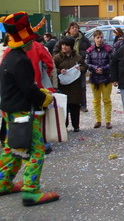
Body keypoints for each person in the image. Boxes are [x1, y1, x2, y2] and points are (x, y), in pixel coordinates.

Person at [0, 11, 59, 206]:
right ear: (25, 41)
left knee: (13, 148)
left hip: (9, 111)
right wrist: (45, 98)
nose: (33, 43)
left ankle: (3, 182)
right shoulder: (21, 60)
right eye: (31, 40)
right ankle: (31, 190)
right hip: (23, 112)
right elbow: (28, 89)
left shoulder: (8, 58)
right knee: (36, 150)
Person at [53, 22, 91, 112]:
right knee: (65, 88)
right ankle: (67, 105)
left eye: (76, 27)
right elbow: (55, 51)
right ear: (69, 29)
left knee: (81, 87)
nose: (75, 29)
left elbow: (89, 50)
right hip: (65, 65)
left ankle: (82, 105)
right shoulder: (63, 39)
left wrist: (84, 60)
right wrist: (60, 58)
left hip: (77, 63)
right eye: (73, 27)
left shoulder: (83, 39)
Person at [54, 37, 87, 132]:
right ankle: (64, 125)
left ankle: (76, 125)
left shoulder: (77, 57)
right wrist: (59, 71)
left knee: (75, 106)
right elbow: (52, 69)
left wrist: (81, 69)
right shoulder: (57, 58)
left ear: (71, 46)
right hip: (63, 86)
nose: (64, 47)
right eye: (63, 45)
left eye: (66, 45)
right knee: (64, 106)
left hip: (75, 86)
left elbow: (84, 66)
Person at [85, 30, 113, 129]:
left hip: (106, 78)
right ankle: (98, 120)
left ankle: (108, 121)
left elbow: (112, 62)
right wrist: (94, 68)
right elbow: (87, 63)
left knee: (107, 100)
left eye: (101, 37)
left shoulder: (109, 49)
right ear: (94, 38)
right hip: (94, 78)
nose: (99, 39)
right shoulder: (90, 50)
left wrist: (104, 68)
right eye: (97, 37)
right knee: (96, 101)